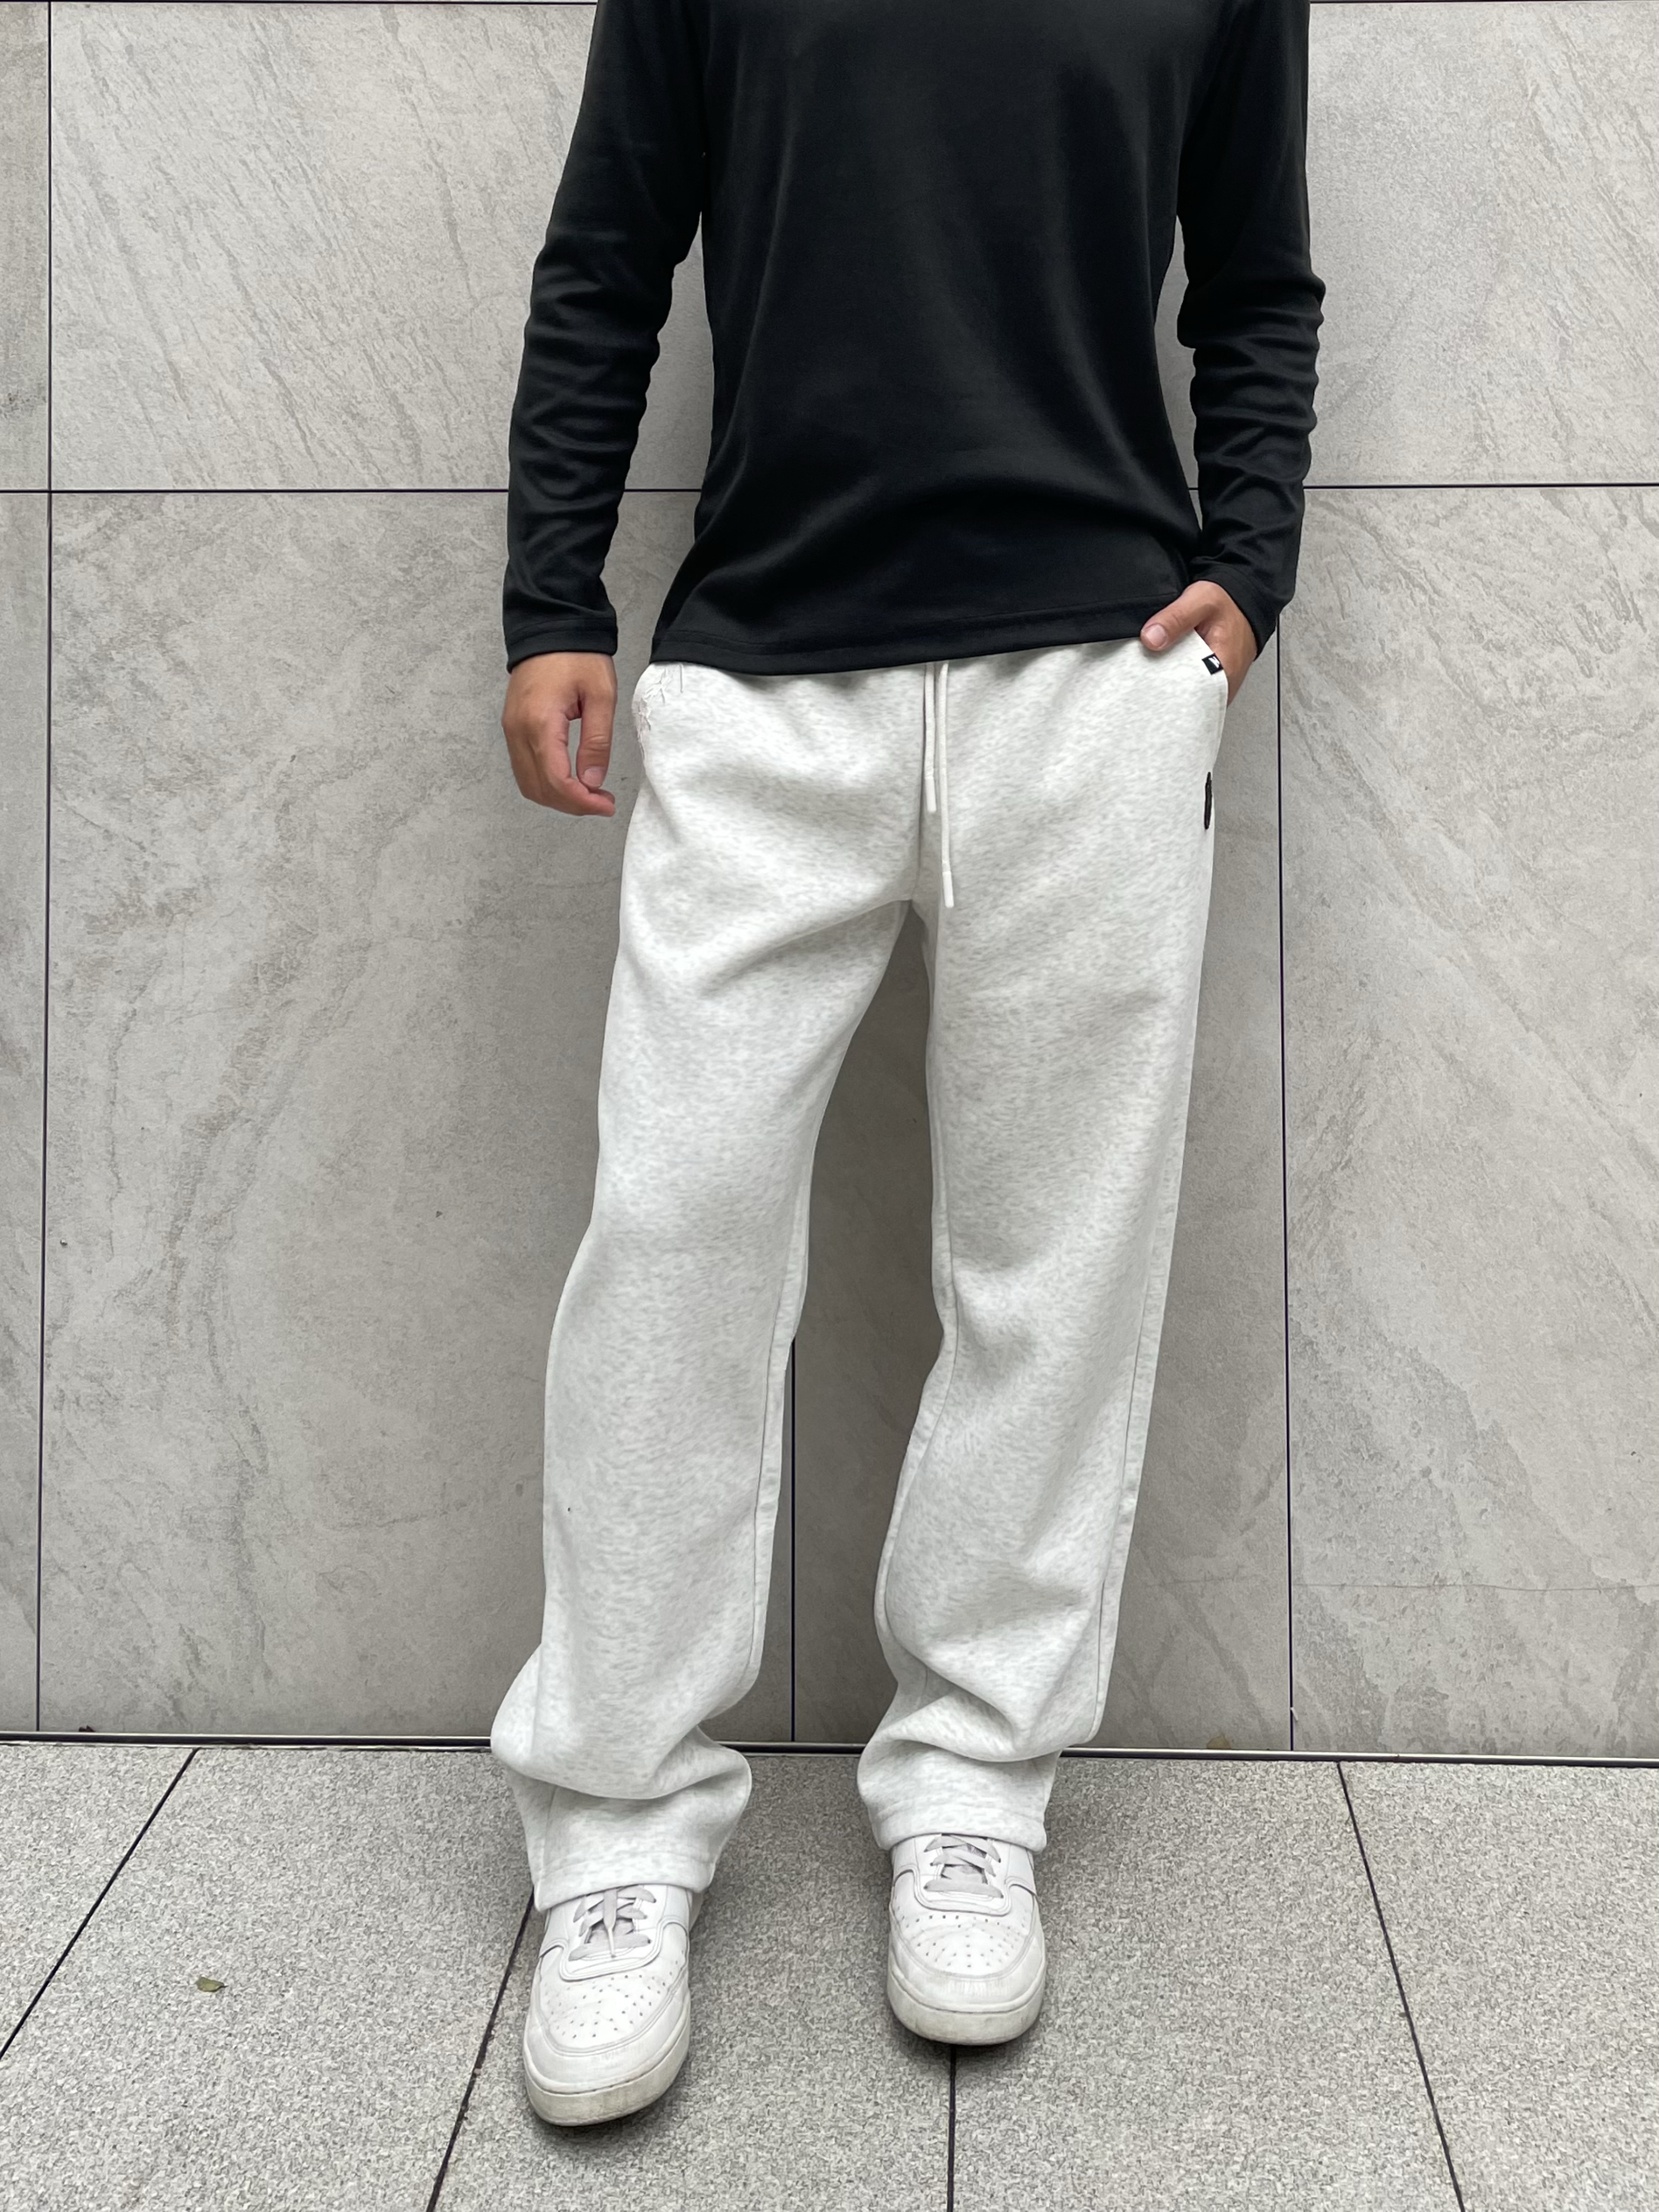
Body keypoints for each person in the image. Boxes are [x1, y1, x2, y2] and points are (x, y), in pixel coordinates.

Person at [492, 0, 1322, 2129]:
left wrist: (1251, 565)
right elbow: (609, 251)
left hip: (1096, 679)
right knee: (670, 1242)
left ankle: (974, 1782)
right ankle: (613, 1824)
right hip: (766, 672)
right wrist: (552, 593)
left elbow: (1256, 276)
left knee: (1053, 1275)